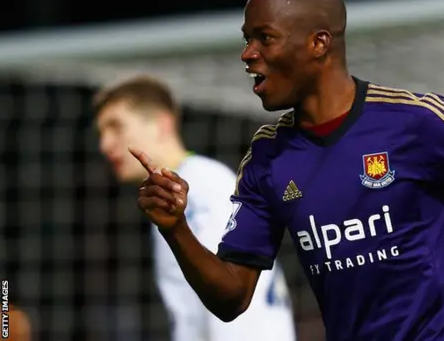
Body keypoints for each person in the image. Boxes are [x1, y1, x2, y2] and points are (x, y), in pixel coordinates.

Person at [130, 0, 444, 340]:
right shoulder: (267, 158)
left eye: (264, 37)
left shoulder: (419, 121)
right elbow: (232, 297)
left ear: (319, 43)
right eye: (246, 38)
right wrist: (176, 229)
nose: (247, 54)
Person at [94, 75, 296, 341]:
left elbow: (231, 295)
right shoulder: (183, 189)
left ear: (161, 125)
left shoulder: (200, 187)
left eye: (116, 127)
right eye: (101, 133)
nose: (105, 145)